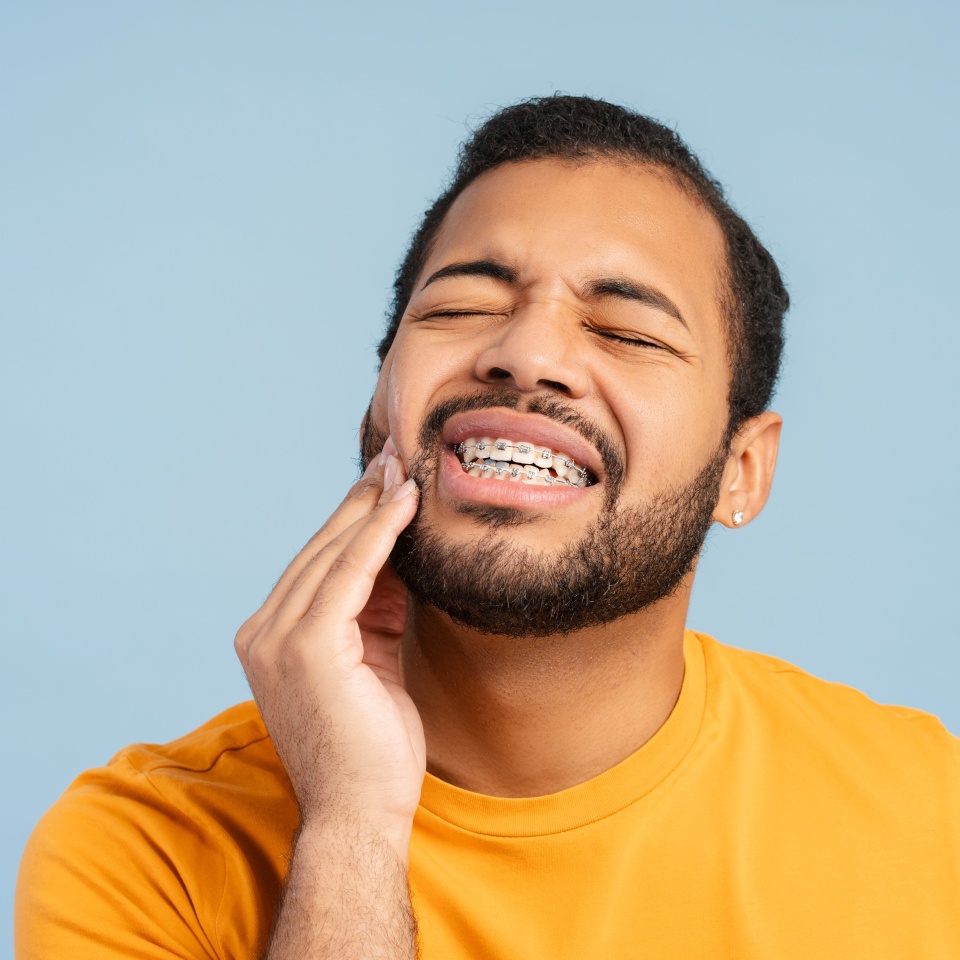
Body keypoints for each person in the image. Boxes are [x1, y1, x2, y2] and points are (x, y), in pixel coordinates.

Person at [15, 95, 960, 960]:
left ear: (741, 471)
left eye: (627, 331)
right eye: (462, 306)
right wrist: (351, 829)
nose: (527, 353)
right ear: (377, 409)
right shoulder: (145, 852)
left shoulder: (931, 816)